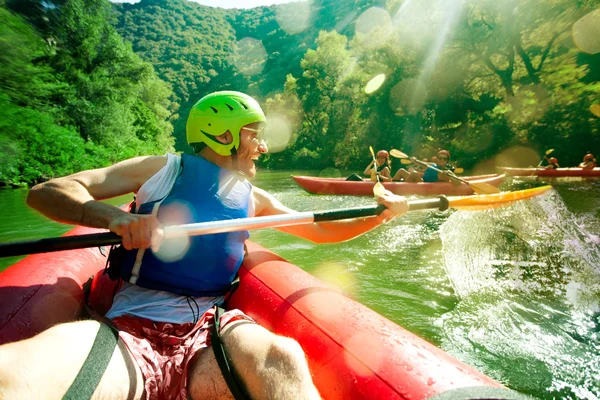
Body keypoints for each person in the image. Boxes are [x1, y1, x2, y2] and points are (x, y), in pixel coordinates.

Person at [0, 91, 409, 400]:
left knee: (282, 357)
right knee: (18, 374)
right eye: (255, 135)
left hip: (208, 332)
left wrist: (380, 214)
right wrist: (114, 217)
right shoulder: (161, 170)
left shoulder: (252, 197)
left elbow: (320, 230)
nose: (263, 147)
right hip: (129, 327)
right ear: (224, 134)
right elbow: (49, 192)